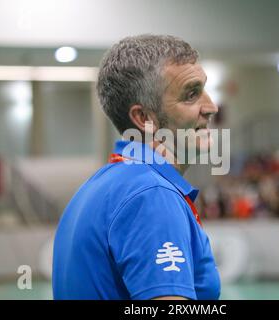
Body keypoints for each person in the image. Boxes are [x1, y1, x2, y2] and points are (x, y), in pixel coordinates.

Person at [52, 35, 221, 300]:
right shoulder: (151, 196)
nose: (211, 107)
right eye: (191, 94)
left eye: (204, 89)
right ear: (144, 118)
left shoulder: (99, 187)